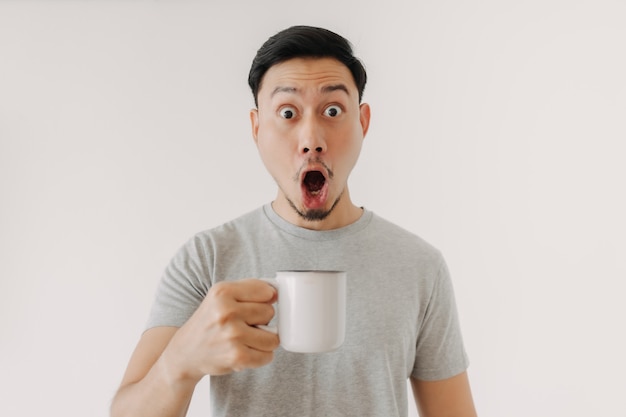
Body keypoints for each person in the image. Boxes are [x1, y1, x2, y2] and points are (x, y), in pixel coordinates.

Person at [110, 25, 477, 417]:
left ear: (363, 123)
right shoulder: (206, 259)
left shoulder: (419, 267)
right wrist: (180, 361)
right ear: (256, 128)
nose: (311, 138)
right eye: (287, 113)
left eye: (332, 111)